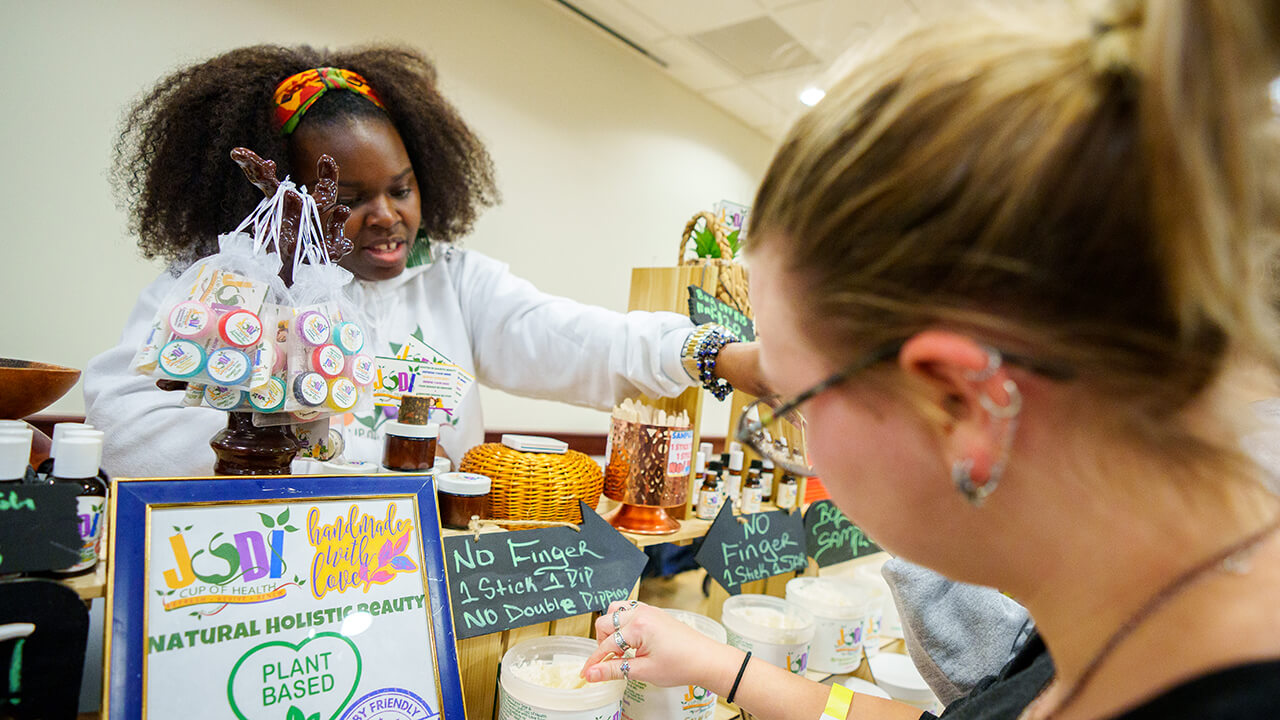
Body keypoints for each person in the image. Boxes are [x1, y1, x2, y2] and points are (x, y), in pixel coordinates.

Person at [583, 1, 1280, 718]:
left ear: (962, 402)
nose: (802, 443)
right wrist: (722, 669)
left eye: (792, 402)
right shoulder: (1139, 608)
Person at [84, 44, 763, 478]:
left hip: (418, 583)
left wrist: (719, 355)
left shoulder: (455, 279)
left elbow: (573, 336)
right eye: (348, 199)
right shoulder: (223, 288)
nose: (386, 216)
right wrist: (308, 441)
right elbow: (126, 430)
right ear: (281, 200)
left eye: (401, 188)